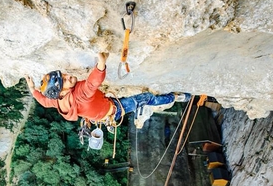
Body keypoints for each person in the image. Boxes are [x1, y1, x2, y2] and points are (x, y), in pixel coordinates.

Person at [25, 52, 190, 129]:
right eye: (65, 81)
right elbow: (92, 83)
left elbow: (43, 101)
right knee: (146, 97)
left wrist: (33, 89)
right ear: (62, 92)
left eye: (64, 75)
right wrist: (101, 64)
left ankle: (139, 112)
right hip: (116, 109)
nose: (68, 76)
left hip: (103, 114)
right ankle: (174, 98)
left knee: (135, 101)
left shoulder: (57, 100)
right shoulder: (79, 94)